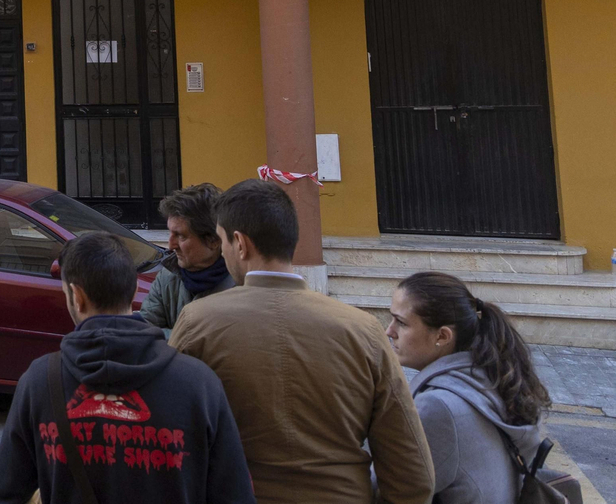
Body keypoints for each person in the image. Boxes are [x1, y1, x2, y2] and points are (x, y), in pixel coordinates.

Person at [168, 180, 434, 504]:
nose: (223, 252)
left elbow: (168, 435)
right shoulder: (364, 330)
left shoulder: (197, 322)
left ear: (240, 243)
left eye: (223, 241)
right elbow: (412, 474)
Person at [0, 232, 255, 504]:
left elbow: (4, 495)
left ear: (77, 296)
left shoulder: (39, 382)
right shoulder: (199, 383)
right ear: (132, 290)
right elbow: (235, 495)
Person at [386, 272, 552, 504]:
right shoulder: (490, 377)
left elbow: (388, 489)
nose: (389, 331)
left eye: (401, 322)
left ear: (442, 336)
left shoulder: (438, 406)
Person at [141, 183, 235, 339]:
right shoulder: (167, 276)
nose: (171, 245)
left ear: (213, 240)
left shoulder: (241, 284)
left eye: (181, 236)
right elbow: (144, 332)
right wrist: (194, 340)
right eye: (170, 233)